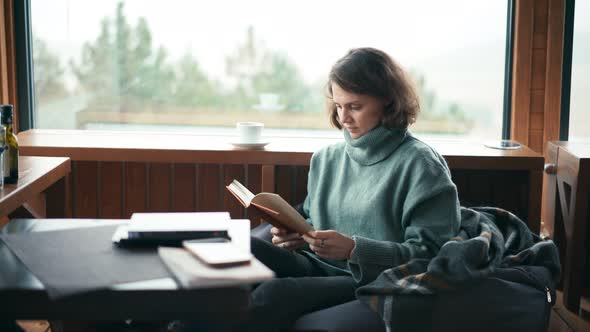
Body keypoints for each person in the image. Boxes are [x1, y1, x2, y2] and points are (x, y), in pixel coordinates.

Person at [244, 47, 462, 332]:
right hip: (312, 264)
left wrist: (355, 249)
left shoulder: (421, 165)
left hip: (366, 278)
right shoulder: (326, 159)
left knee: (271, 295)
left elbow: (431, 255)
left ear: (387, 101)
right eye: (338, 105)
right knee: (242, 248)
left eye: (354, 106)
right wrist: (296, 234)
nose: (343, 118)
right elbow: (312, 219)